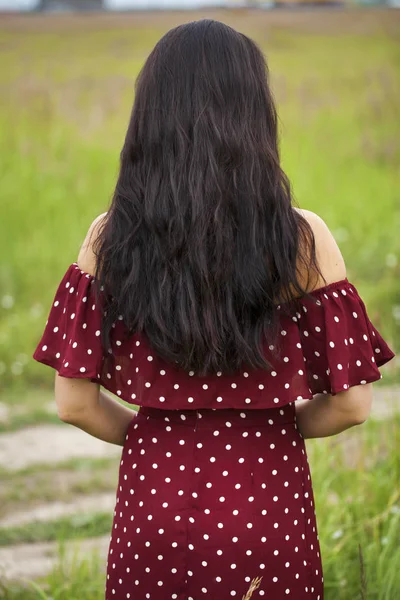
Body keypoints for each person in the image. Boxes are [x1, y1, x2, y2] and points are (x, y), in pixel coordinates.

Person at [33, 19, 395, 600]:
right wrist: (271, 429)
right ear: (255, 115)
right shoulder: (304, 239)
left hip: (155, 505)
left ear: (149, 118)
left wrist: (154, 436)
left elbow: (74, 403)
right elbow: (351, 405)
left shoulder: (109, 238)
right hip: (267, 503)